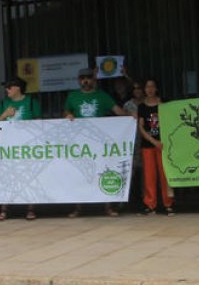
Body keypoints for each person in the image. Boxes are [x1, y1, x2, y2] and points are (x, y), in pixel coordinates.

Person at [65, 68, 128, 217]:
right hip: (80, 143)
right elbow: (66, 111)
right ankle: (78, 208)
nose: (85, 81)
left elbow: (117, 111)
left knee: (104, 170)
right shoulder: (72, 96)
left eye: (88, 78)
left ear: (93, 79)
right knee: (80, 174)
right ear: (79, 80)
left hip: (98, 143)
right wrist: (68, 114)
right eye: (82, 78)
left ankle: (107, 206)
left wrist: (130, 116)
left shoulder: (102, 96)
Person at [0, 77, 39, 221]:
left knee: (29, 177)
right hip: (8, 148)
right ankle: (4, 210)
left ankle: (30, 209)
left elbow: (40, 124)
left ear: (18, 88)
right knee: (5, 177)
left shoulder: (32, 102)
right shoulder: (3, 103)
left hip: (28, 146)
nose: (6, 90)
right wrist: (5, 115)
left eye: (9, 87)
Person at [136, 79, 175, 216]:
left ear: (156, 88)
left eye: (152, 86)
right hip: (148, 145)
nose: (150, 89)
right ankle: (150, 204)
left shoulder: (164, 103)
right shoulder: (141, 106)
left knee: (165, 175)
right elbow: (141, 127)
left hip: (164, 144)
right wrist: (153, 141)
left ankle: (168, 204)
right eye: (147, 87)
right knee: (149, 176)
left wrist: (162, 141)